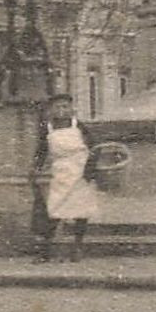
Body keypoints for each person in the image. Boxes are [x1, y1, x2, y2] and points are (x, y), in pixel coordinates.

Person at [34, 92, 98, 262]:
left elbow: (95, 148)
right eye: (57, 107)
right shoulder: (47, 128)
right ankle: (46, 251)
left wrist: (90, 171)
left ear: (71, 109)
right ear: (51, 110)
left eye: (65, 107)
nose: (61, 110)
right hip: (60, 172)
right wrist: (36, 168)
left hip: (80, 171)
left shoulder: (80, 127)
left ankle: (77, 247)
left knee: (80, 210)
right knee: (54, 209)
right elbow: (41, 151)